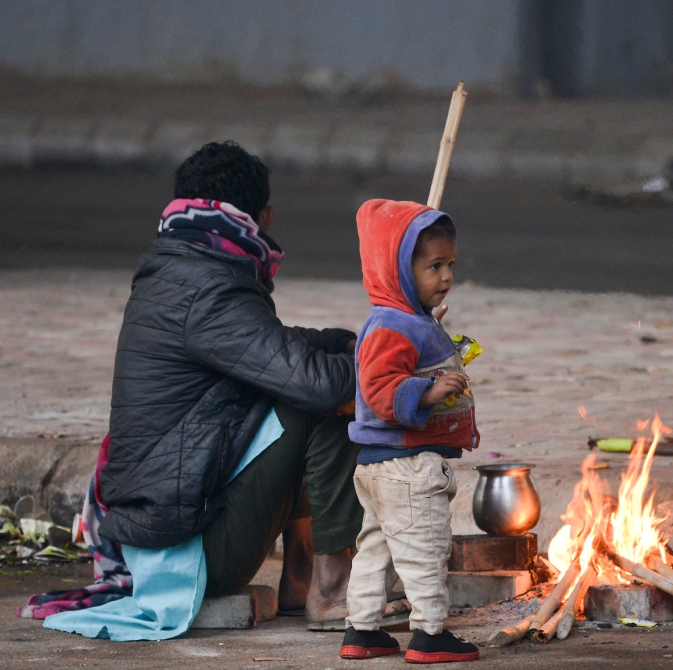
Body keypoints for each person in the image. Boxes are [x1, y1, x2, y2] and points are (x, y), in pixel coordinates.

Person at [45, 141, 404, 640]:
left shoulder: (178, 267)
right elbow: (315, 385)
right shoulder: (210, 287)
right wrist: (390, 368)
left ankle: (300, 580)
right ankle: (332, 588)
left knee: (302, 381)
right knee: (321, 402)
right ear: (265, 217)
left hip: (168, 534)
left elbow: (270, 344)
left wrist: (347, 342)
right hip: (191, 556)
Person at [339, 200, 480, 663]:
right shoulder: (393, 325)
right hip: (407, 466)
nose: (447, 276)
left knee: (376, 551)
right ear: (397, 270)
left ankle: (362, 630)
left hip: (381, 466)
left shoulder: (410, 319)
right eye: (434, 266)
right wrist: (429, 392)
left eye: (450, 264)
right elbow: (380, 389)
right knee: (426, 549)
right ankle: (429, 634)